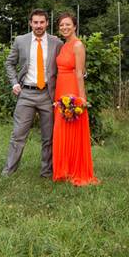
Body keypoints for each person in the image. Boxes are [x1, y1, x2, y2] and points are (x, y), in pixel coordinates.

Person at [2, 9, 63, 177]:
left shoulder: (56, 43)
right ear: (30, 23)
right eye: (35, 22)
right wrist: (14, 83)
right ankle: (9, 171)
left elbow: (63, 65)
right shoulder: (21, 41)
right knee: (18, 135)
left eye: (42, 22)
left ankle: (46, 172)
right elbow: (9, 63)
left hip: (47, 95)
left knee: (48, 137)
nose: (38, 25)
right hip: (26, 93)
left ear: (47, 23)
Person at [51, 12, 98, 186]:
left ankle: (75, 170)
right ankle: (64, 170)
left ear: (75, 26)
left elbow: (79, 73)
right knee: (61, 130)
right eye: (62, 25)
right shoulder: (63, 45)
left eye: (68, 24)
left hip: (71, 89)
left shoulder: (78, 45)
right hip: (60, 89)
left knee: (72, 128)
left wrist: (82, 99)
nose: (64, 27)